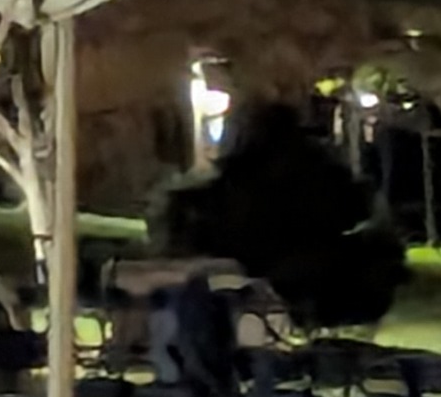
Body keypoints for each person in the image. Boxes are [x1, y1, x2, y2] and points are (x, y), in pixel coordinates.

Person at [159, 98, 405, 330]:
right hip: (303, 262)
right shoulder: (317, 165)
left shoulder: (239, 173)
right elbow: (352, 209)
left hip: (262, 263)